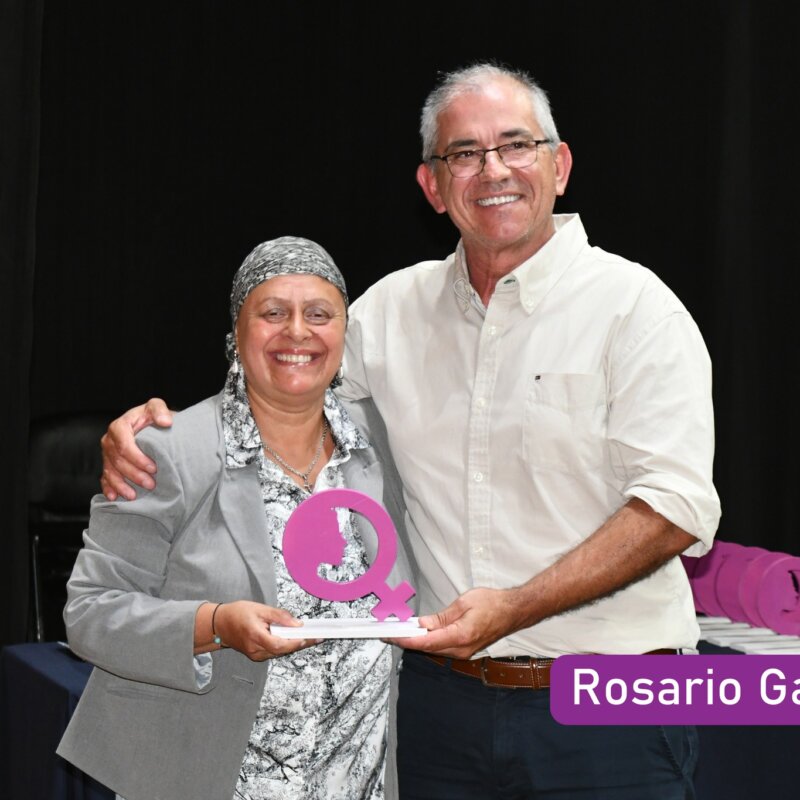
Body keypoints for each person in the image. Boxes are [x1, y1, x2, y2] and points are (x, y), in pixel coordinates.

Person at [100, 62, 720, 799]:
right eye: (464, 153)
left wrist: (516, 607)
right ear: (432, 185)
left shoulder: (637, 311)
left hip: (608, 706)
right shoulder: (386, 313)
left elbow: (675, 508)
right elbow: (280, 402)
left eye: (516, 145)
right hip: (436, 710)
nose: (492, 170)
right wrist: (162, 430)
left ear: (560, 165)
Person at [58, 236, 415, 800]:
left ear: (343, 338)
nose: (297, 331)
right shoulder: (168, 450)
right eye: (272, 313)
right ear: (236, 333)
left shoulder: (381, 445)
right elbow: (90, 610)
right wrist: (214, 625)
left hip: (357, 781)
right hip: (203, 777)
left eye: (319, 315)